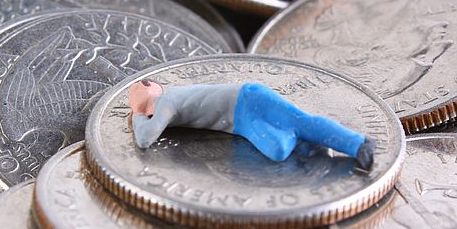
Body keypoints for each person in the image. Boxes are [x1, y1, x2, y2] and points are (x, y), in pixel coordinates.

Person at [128, 80, 375, 169]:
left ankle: (357, 143)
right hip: (248, 94)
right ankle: (354, 144)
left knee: (281, 146)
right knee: (297, 126)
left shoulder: (166, 103)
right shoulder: (174, 96)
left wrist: (136, 116)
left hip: (242, 110)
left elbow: (145, 138)